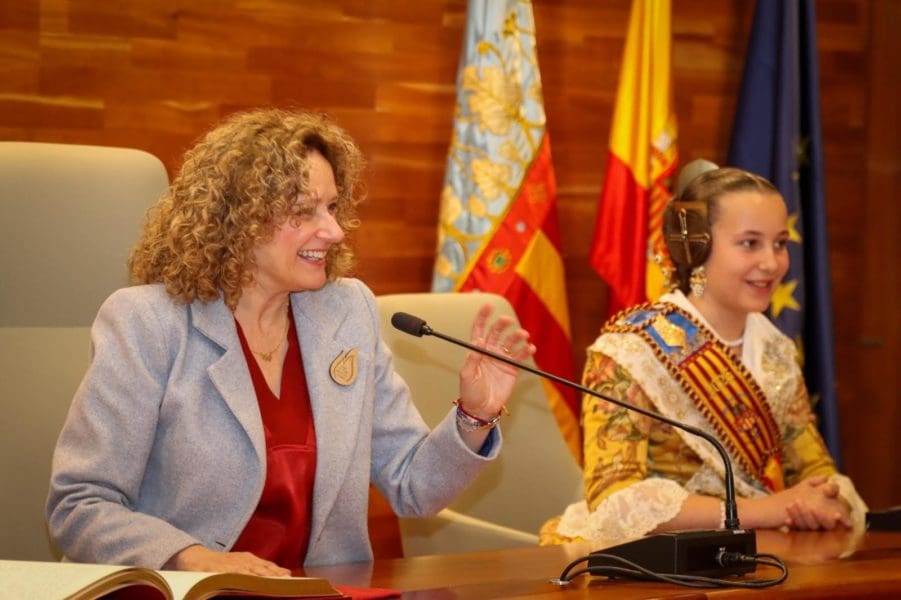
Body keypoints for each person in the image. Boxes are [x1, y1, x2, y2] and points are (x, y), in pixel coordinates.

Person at [46, 108, 535, 575]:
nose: (335, 231)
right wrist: (188, 558)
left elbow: (415, 486)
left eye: (332, 207)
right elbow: (80, 504)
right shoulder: (149, 323)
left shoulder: (348, 312)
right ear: (238, 220)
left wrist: (475, 415)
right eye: (305, 211)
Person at [540, 161, 866, 548]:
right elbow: (615, 502)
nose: (772, 263)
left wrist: (827, 500)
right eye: (750, 243)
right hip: (649, 564)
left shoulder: (773, 350)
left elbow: (816, 469)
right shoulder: (629, 351)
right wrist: (767, 510)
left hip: (749, 556)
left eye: (780, 244)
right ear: (696, 247)